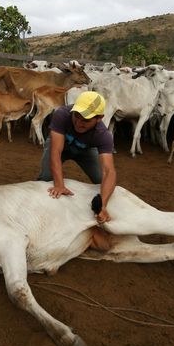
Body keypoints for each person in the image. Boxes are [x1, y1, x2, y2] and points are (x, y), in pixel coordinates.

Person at [37, 91, 117, 250]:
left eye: (86, 119)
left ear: (99, 118)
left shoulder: (103, 135)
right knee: (45, 179)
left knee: (103, 182)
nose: (79, 122)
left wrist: (103, 204)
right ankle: (40, 218)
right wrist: (59, 184)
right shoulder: (62, 114)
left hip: (86, 151)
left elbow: (109, 171)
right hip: (59, 145)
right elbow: (56, 152)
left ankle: (102, 215)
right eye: (77, 116)